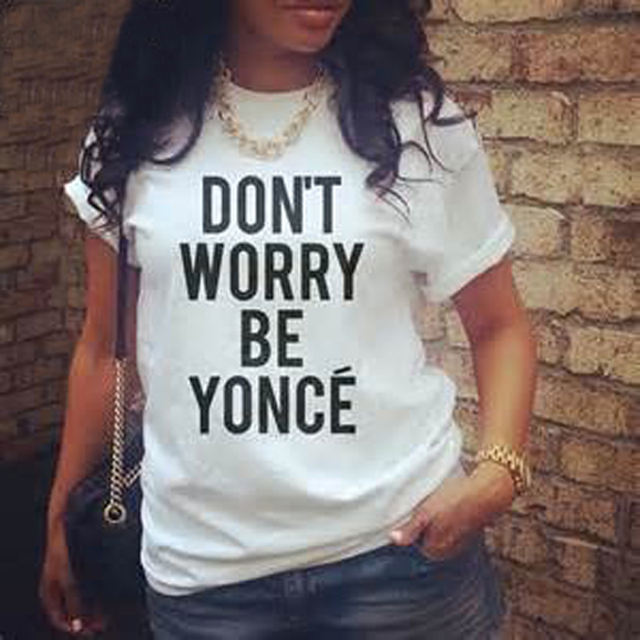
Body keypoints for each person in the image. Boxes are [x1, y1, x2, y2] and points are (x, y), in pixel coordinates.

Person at [40, 0, 538, 638]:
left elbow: (499, 326)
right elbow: (105, 349)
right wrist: (59, 519)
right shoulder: (138, 128)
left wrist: (498, 473)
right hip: (204, 579)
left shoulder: (412, 120)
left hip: (401, 561)